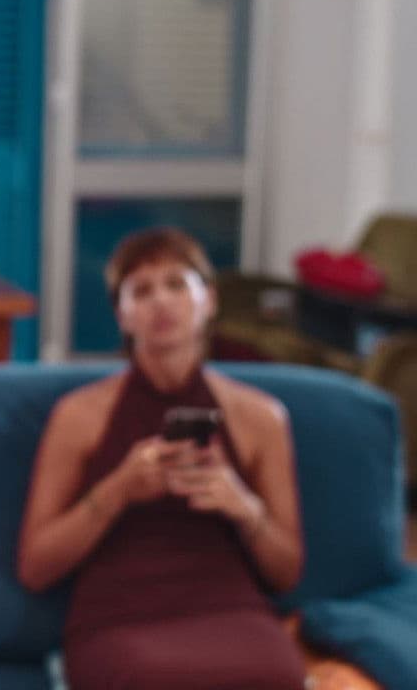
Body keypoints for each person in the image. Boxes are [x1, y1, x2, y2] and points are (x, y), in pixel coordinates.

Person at [17, 228, 306, 689]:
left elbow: (286, 573)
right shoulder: (79, 416)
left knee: (280, 673)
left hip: (229, 606)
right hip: (117, 616)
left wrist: (244, 506)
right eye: (141, 290)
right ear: (122, 315)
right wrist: (118, 490)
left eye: (177, 284)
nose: (161, 302)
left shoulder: (260, 417)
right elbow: (35, 568)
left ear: (209, 300)